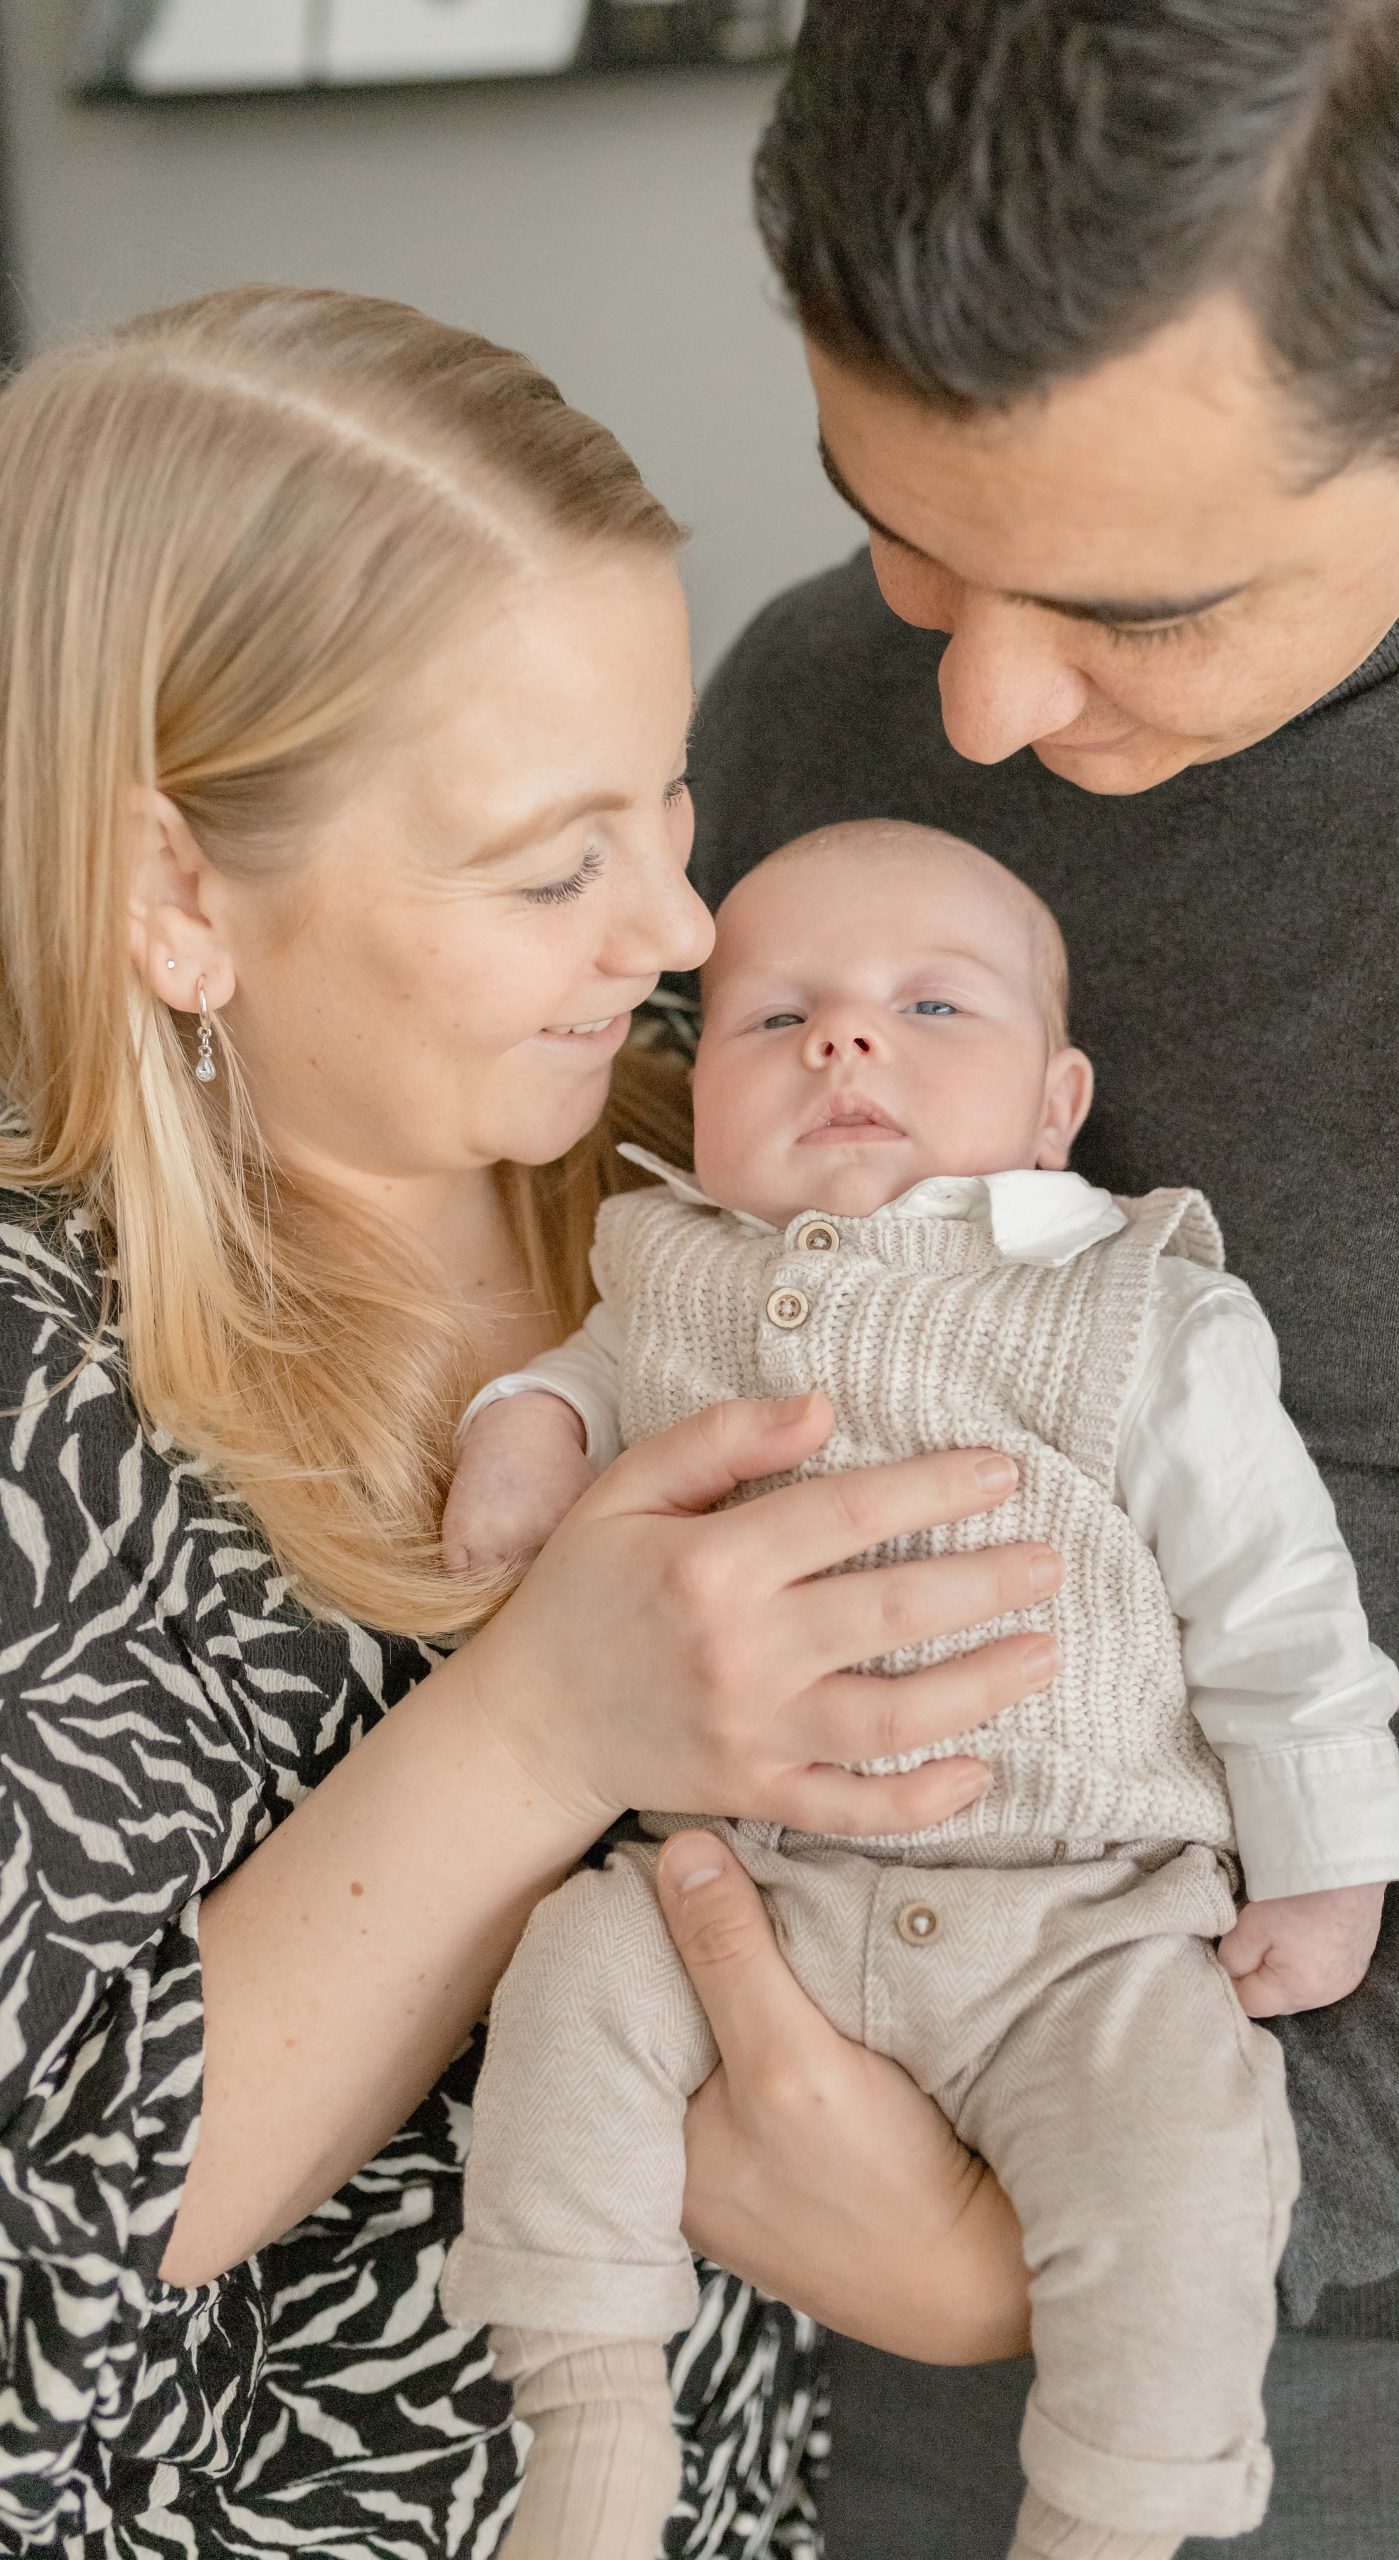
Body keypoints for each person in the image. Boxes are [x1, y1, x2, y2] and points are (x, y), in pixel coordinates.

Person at [676, 3, 1399, 2555]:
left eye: (1132, 606)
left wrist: (1057, 2245)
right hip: (737, 2257)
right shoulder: (812, 697)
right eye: (896, 525)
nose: (972, 701)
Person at [0, 285, 1064, 2556]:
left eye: (666, 802)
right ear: (174, 888)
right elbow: (47, 2249)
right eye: (548, 861)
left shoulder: (706, 1175)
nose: (677, 920)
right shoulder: (42, 1363)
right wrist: (541, 1725)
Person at [438, 816, 1399, 2560]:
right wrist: (528, 1433)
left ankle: (1113, 2520)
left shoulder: (1132, 1306)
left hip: (1083, 1922)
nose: (845, 1040)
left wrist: (1326, 1856)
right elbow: (586, 1376)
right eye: (774, 1019)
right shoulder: (666, 1264)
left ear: (1056, 1105)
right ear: (698, 1094)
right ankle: (587, 2428)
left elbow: (1275, 1590)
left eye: (932, 1009)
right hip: (750, 1886)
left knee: (1189, 2161)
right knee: (571, 1983)